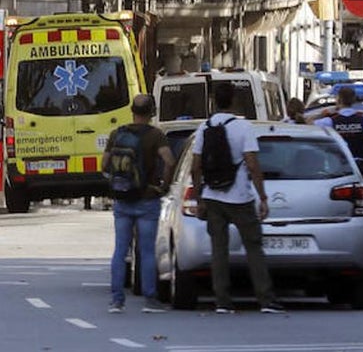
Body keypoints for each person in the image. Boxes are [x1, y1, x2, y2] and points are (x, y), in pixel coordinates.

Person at [190, 81, 285, 314]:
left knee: (218, 250)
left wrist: (199, 195)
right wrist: (262, 197)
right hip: (240, 197)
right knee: (253, 247)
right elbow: (252, 164)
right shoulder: (243, 128)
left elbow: (196, 165)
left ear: (214, 101)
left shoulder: (205, 126)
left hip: (213, 195)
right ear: (233, 100)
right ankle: (265, 298)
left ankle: (222, 301)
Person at [102, 94, 175, 313]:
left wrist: (116, 183)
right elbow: (170, 161)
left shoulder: (117, 134)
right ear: (152, 112)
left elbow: (104, 164)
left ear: (132, 111)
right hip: (147, 199)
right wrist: (163, 186)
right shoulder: (156, 136)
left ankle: (117, 300)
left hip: (122, 200)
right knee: (146, 251)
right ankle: (150, 299)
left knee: (120, 249)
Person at [314, 85, 363, 185]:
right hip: (361, 167)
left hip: (339, 168)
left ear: (339, 99)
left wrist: (323, 113)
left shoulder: (331, 120)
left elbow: (307, 122)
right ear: (354, 100)